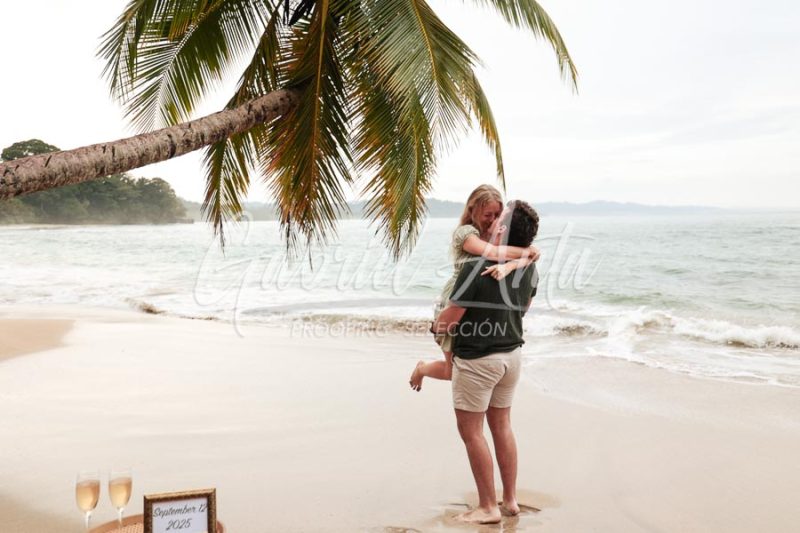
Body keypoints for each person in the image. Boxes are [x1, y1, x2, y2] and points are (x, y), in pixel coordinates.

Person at [432, 200, 540, 524]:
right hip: (512, 357)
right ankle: (509, 500)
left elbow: (449, 321)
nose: (492, 222)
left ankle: (487, 507)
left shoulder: (474, 266)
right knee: (502, 426)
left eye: (499, 218)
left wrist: (434, 324)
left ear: (503, 229)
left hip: (478, 360)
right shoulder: (528, 266)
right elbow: (524, 309)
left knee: (472, 433)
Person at [409, 185, 539, 391]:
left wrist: (516, 262)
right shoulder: (466, 233)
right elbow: (493, 254)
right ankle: (422, 369)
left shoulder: (497, 237)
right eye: (488, 214)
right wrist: (527, 252)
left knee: (457, 369)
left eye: (498, 214)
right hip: (454, 299)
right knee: (452, 371)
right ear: (473, 211)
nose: (493, 219)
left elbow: (526, 257)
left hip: (474, 301)